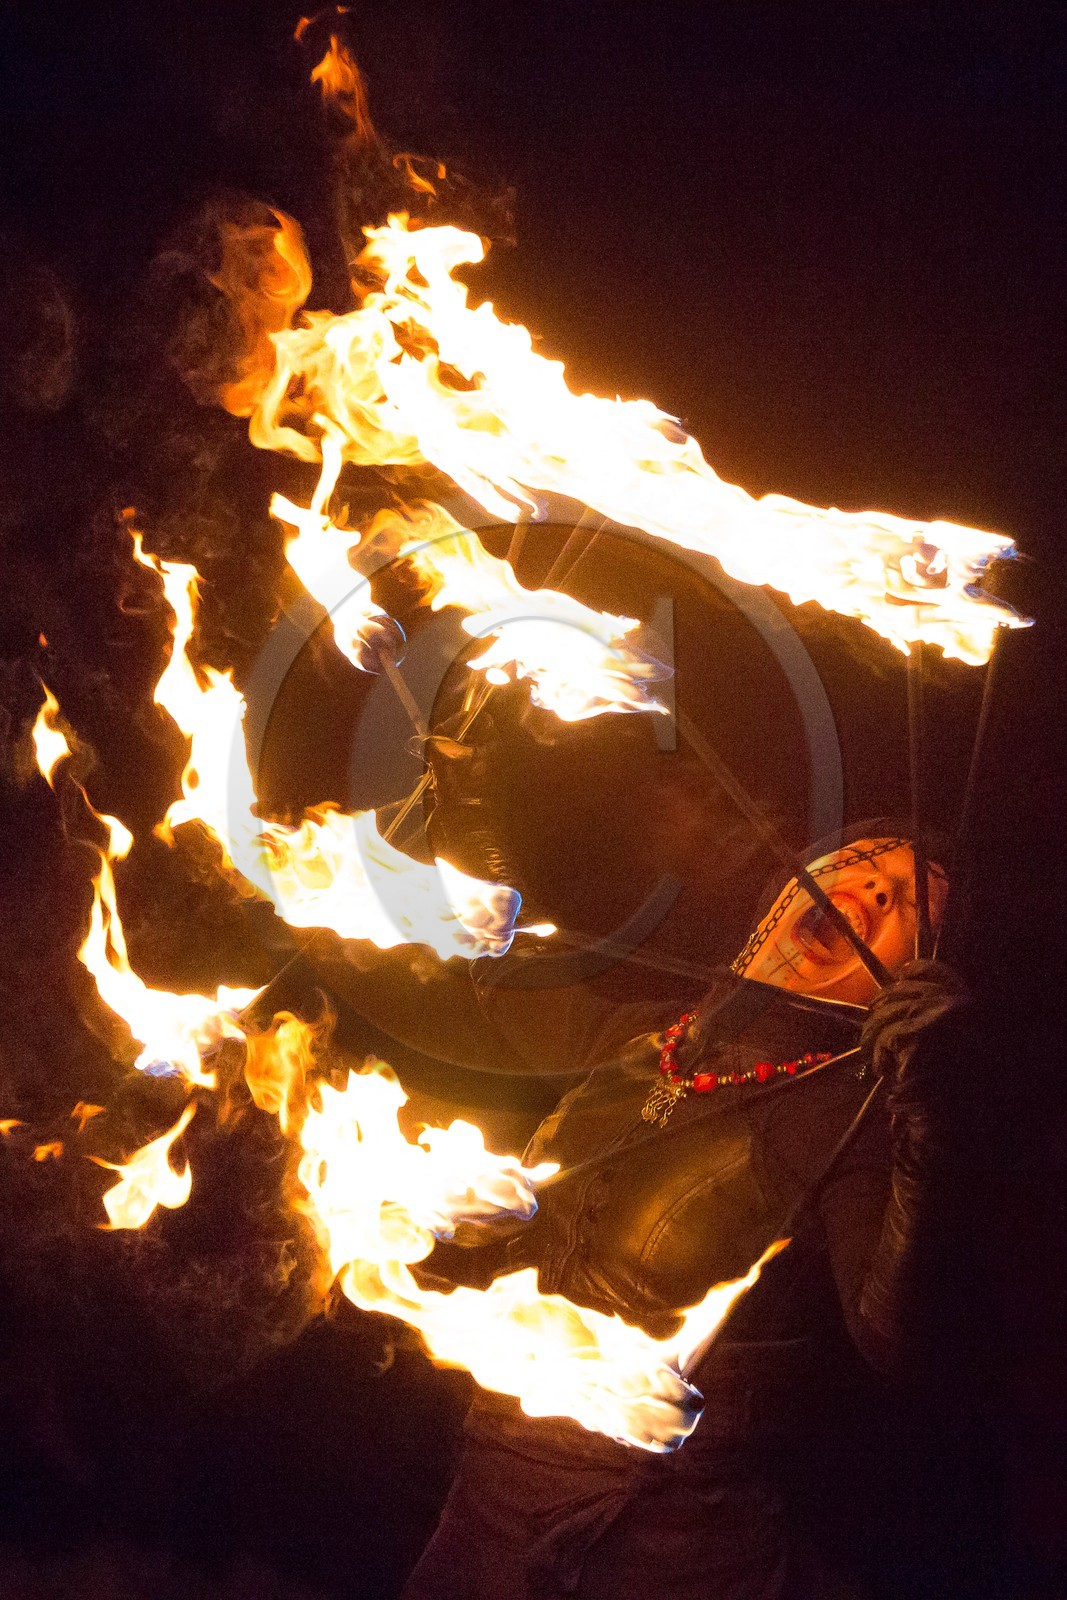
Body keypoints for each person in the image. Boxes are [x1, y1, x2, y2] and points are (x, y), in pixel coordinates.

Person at [321, 829, 995, 1598]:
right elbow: (490, 961)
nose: (878, 888)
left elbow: (892, 1337)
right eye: (862, 861)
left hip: (669, 1549)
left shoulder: (849, 1122)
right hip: (490, 1499)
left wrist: (928, 1115)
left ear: (912, 977)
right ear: (784, 889)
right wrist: (473, 812)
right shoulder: (648, 1035)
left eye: (913, 899)